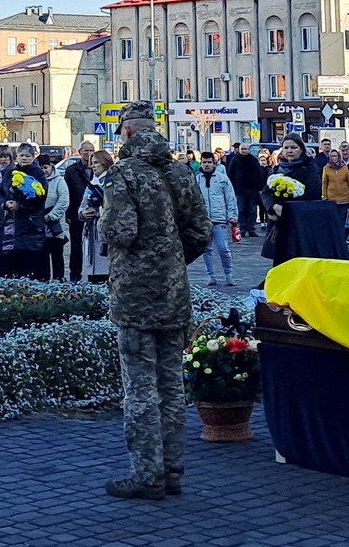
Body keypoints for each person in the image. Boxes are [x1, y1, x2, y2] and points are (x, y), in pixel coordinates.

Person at [99, 103, 211, 500]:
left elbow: (121, 231)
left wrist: (99, 219)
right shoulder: (181, 172)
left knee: (140, 386)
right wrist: (172, 261)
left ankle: (147, 475)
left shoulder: (123, 173)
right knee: (172, 384)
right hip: (174, 293)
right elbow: (201, 231)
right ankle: (173, 470)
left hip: (135, 295)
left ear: (127, 132)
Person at [262, 136, 324, 263]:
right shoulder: (277, 169)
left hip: (301, 221)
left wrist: (286, 208)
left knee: (300, 259)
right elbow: (266, 193)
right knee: (280, 260)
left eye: (293, 147)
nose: (289, 150)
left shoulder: (310, 167)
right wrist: (272, 207)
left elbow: (312, 193)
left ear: (301, 149)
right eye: (286, 148)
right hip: (279, 221)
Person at [0, 143, 52, 279]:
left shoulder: (38, 174)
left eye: (28, 156)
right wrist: (5, 203)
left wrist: (21, 205)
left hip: (31, 223)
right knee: (14, 260)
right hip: (12, 222)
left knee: (31, 259)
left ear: (33, 157)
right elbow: (1, 192)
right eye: (21, 155)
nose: (24, 158)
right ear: (17, 156)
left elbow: (41, 197)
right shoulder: (10, 172)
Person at [194, 149, 236, 287]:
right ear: (201, 163)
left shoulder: (222, 179)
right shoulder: (196, 180)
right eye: (204, 162)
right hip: (203, 220)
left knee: (223, 248)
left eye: (209, 162)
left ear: (214, 163)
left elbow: (230, 198)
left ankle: (228, 274)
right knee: (206, 250)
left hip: (220, 218)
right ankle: (211, 276)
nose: (207, 165)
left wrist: (232, 215)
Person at [59, 141, 96, 281]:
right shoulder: (71, 170)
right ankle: (75, 275)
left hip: (94, 214)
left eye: (91, 150)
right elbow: (67, 193)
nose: (89, 153)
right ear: (80, 152)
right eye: (86, 150)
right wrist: (68, 214)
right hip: (76, 213)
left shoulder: (98, 168)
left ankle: (95, 274)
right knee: (76, 246)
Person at [82, 149, 114, 283]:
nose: (93, 166)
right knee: (93, 276)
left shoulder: (112, 182)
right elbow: (82, 205)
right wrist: (83, 213)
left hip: (105, 233)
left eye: (96, 163)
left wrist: (99, 211)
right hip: (91, 232)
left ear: (105, 163)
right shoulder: (92, 183)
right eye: (92, 163)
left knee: (105, 275)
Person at [223, 140, 265, 241]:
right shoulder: (235, 160)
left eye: (246, 149)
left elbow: (259, 174)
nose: (244, 151)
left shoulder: (253, 160)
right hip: (239, 189)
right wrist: (232, 188)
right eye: (242, 149)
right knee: (241, 210)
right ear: (239, 150)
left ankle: (251, 229)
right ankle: (242, 228)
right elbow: (230, 174)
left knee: (251, 210)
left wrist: (259, 188)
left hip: (252, 189)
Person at [319, 148, 349, 240]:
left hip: (344, 197)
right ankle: (335, 237)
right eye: (332, 156)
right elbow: (324, 183)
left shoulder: (344, 167)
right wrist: (324, 196)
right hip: (332, 197)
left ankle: (342, 237)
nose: (334, 158)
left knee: (343, 219)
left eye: (336, 156)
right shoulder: (326, 168)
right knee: (334, 219)